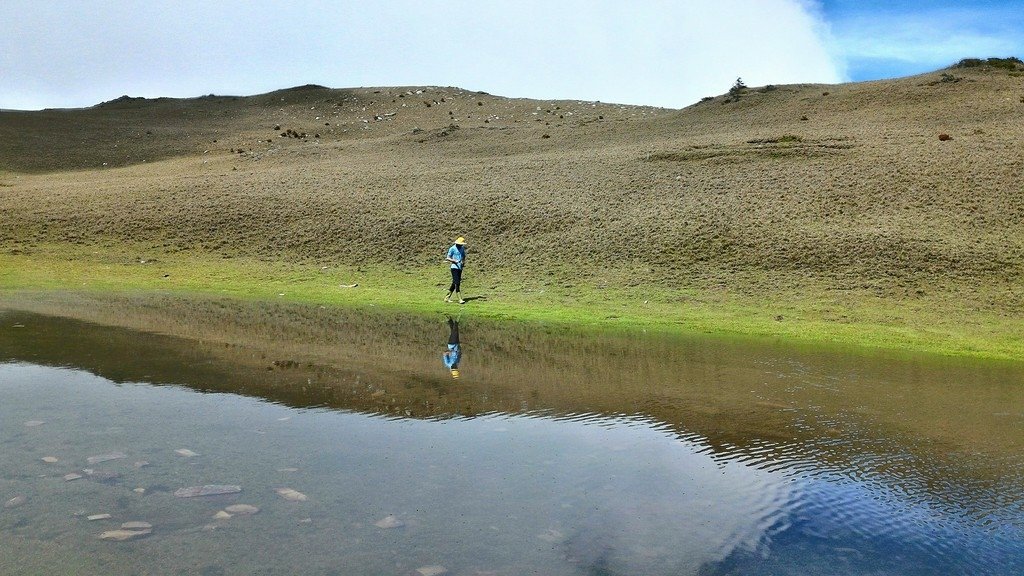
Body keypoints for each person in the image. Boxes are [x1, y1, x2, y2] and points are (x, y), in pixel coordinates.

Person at [444, 236, 467, 304]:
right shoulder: (452, 248)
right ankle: (460, 299)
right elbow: (448, 258)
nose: (461, 245)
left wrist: (463, 262)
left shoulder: (462, 248)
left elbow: (463, 256)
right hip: (454, 267)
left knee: (454, 283)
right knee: (457, 283)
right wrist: (454, 261)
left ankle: (447, 297)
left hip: (460, 268)